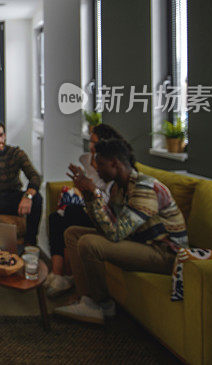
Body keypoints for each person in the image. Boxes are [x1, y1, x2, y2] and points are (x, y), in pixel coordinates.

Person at [53, 139, 188, 324]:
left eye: (100, 163)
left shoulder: (144, 188)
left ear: (114, 163)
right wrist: (88, 195)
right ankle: (88, 300)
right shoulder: (119, 188)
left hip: (165, 254)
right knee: (73, 233)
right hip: (139, 242)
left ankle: (100, 304)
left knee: (88, 243)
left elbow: (116, 233)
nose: (96, 168)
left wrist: (96, 193)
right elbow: (104, 224)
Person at [44, 123, 130, 297]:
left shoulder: (122, 179)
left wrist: (92, 189)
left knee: (69, 214)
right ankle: (58, 273)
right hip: (92, 206)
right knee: (56, 217)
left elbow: (111, 210)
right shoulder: (87, 159)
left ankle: (69, 277)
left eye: (93, 141)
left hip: (105, 214)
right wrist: (82, 185)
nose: (90, 145)